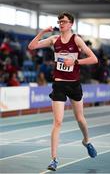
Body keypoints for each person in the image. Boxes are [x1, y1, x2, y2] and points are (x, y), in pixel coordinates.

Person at [28, 12, 98, 171]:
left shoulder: (76, 39)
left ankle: (86, 141)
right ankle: (54, 159)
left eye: (64, 22)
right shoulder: (54, 40)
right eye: (59, 22)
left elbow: (94, 59)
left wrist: (75, 61)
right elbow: (32, 47)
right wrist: (42, 32)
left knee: (80, 119)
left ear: (71, 24)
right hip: (59, 84)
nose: (61, 24)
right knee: (58, 122)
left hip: (74, 84)